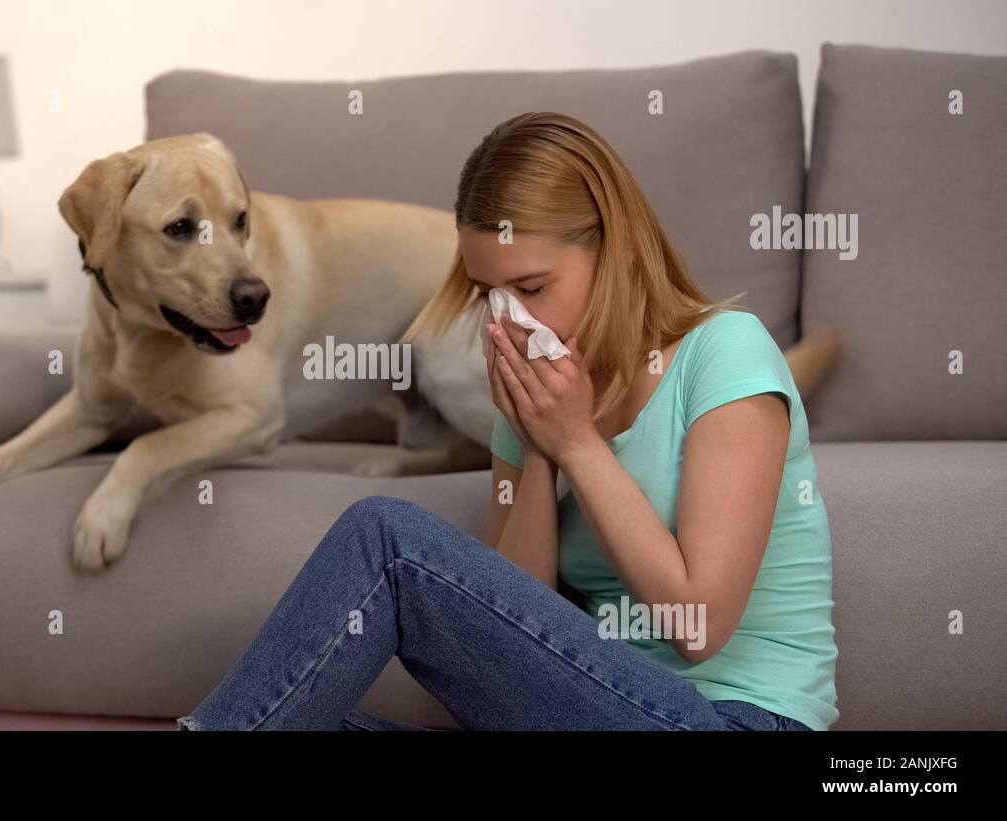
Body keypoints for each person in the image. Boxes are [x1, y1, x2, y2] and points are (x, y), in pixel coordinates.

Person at [177, 112, 838, 731]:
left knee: (386, 534)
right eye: (488, 295)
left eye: (529, 288)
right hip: (591, 708)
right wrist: (539, 445)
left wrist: (577, 443)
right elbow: (507, 631)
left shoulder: (726, 350)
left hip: (733, 717)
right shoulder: (536, 399)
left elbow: (700, 624)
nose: (508, 323)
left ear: (616, 248)